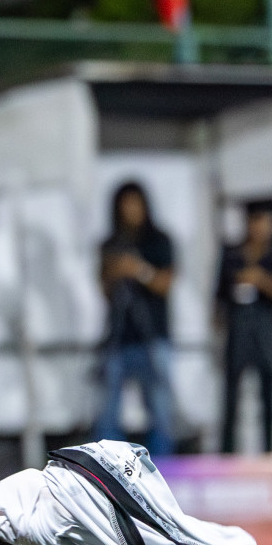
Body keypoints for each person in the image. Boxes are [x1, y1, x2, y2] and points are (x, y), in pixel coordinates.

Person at [95, 181, 176, 457]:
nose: (130, 211)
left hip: (152, 336)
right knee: (107, 408)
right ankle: (107, 466)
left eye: (135, 204)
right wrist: (116, 273)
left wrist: (139, 270)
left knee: (160, 407)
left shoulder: (159, 241)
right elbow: (104, 290)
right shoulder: (110, 244)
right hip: (119, 336)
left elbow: (165, 284)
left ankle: (164, 466)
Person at [216, 201, 272, 454]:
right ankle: (228, 453)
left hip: (264, 324)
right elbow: (220, 294)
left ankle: (269, 452)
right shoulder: (233, 253)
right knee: (231, 395)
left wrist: (260, 279)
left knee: (268, 392)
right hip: (237, 324)